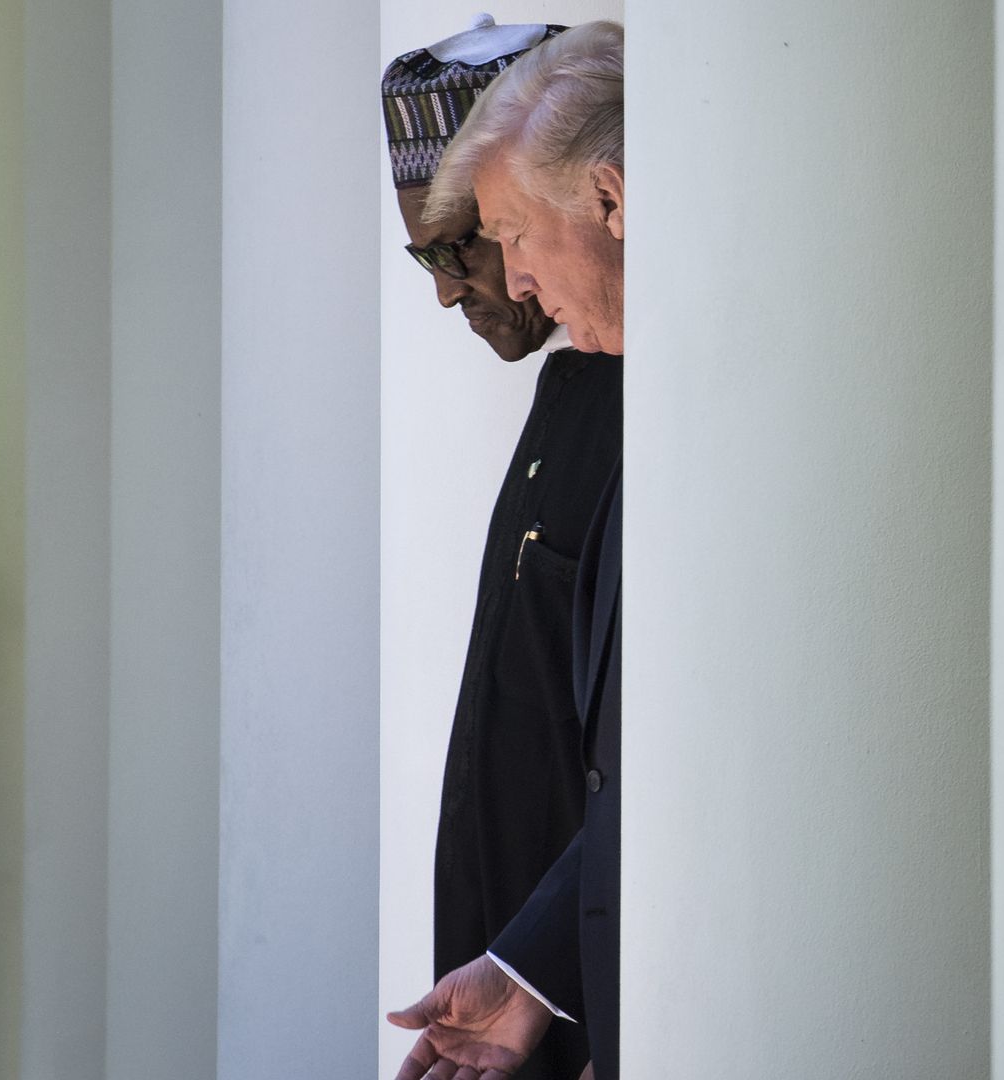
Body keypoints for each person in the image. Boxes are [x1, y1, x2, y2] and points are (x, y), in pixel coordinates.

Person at [387, 20, 628, 1080]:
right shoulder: (575, 387)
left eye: (476, 240)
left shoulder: (652, 398)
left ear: (607, 200)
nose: (476, 285)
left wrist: (548, 988)